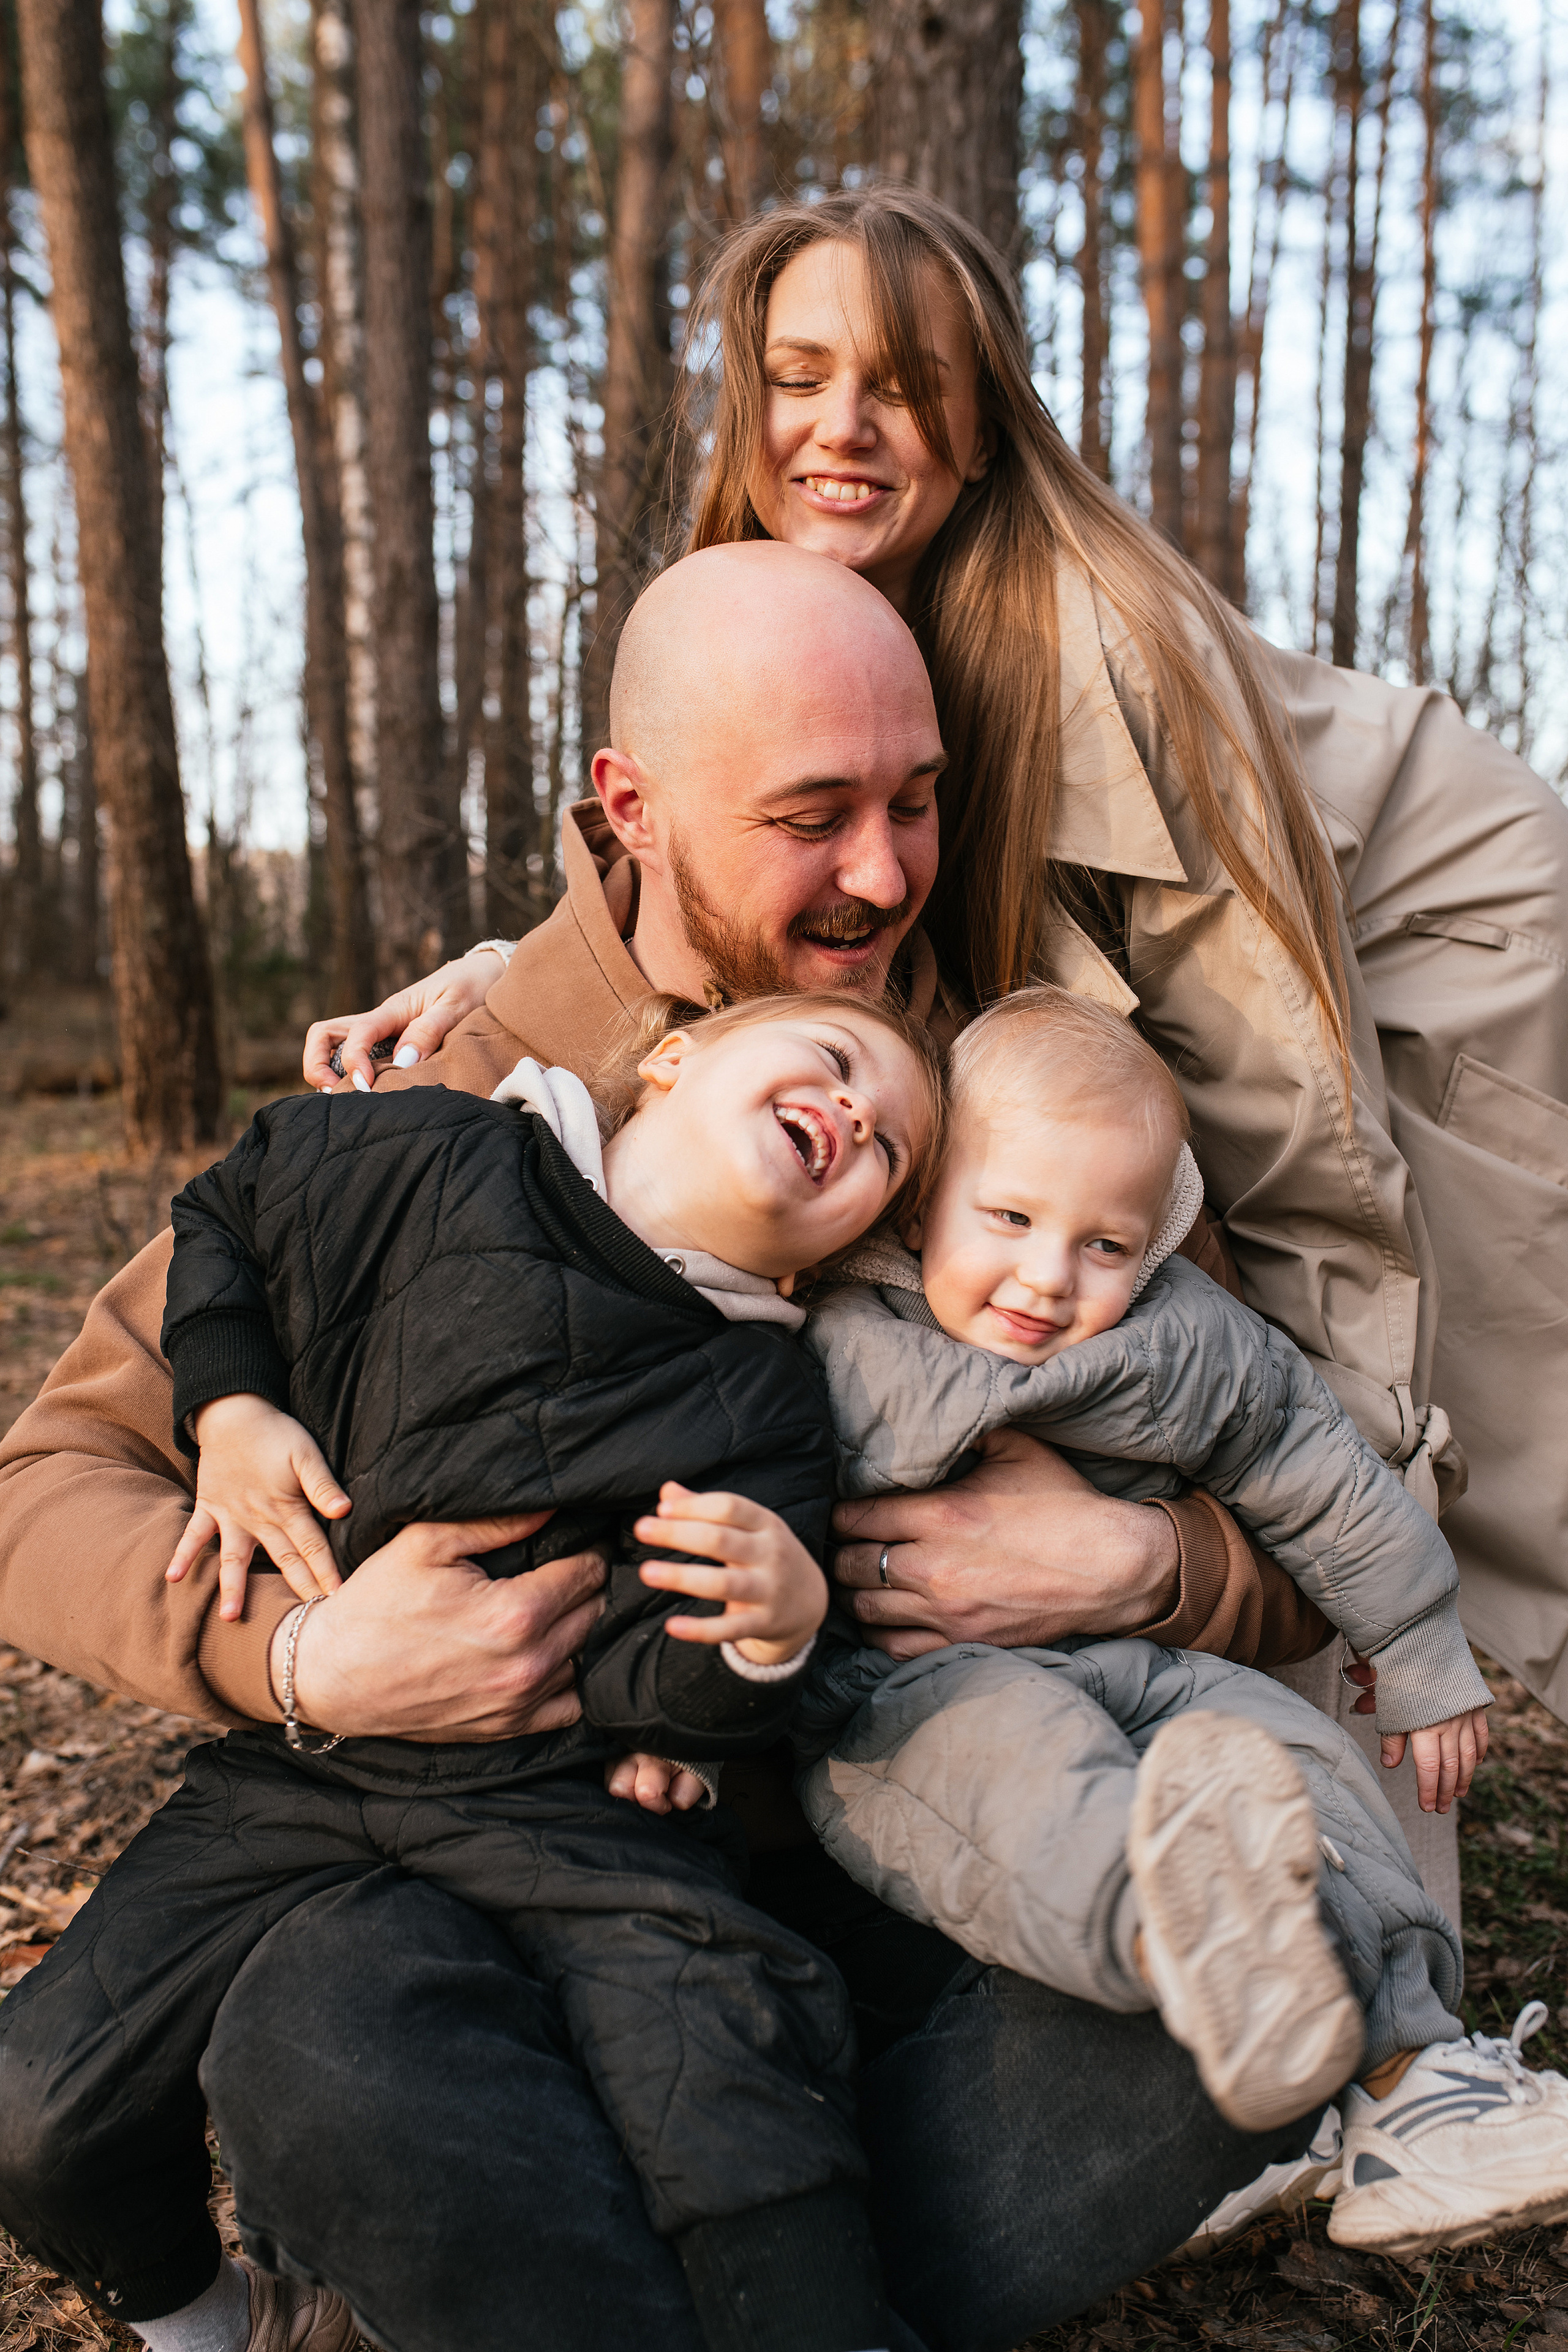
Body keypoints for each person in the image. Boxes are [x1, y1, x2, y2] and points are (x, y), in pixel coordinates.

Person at [0, 543, 1342, 2352]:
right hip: (494, 1858)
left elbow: (1302, 1463)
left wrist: (1159, 1563)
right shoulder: (457, 1087)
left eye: (920, 802)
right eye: (815, 814)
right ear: (632, 808)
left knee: (1234, 1969)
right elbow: (48, 1479)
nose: (884, 873)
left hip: (918, 1855)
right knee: (332, 2023)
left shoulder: (1019, 1071)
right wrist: (318, 1655)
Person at [337, 188, 1568, 1905]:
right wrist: (513, 966)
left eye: (904, 383)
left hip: (1450, 921)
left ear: (986, 421)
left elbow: (1313, 1168)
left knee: (1370, 1338)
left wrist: (1218, 1565)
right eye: (798, 374)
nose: (842, 427)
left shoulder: (1105, 661)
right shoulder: (787, 591)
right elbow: (705, 851)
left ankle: (1393, 1938)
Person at [0, 990, 942, 2352]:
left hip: (560, 1808)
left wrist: (765, 1633)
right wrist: (232, 1405)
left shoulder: (766, 1403)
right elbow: (233, 1202)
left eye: (891, 1149)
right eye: (838, 1062)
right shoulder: (432, 1150)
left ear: (841, 1245)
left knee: (731, 2066)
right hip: (304, 1762)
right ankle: (218, 2326)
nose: (855, 1113)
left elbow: (674, 1696)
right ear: (672, 1060)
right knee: (39, 2097)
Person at [786, 986, 1568, 2259]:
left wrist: (1417, 1650)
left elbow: (1316, 1471)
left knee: (1298, 1765)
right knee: (1023, 1784)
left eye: (1105, 1243)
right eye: (1009, 1219)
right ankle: (1191, 1944)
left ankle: (1411, 2096)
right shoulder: (826, 1331)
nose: (1047, 1277)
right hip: (910, 1701)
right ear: (921, 1197)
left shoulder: (1179, 1343)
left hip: (1147, 1663)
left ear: (1156, 1242)